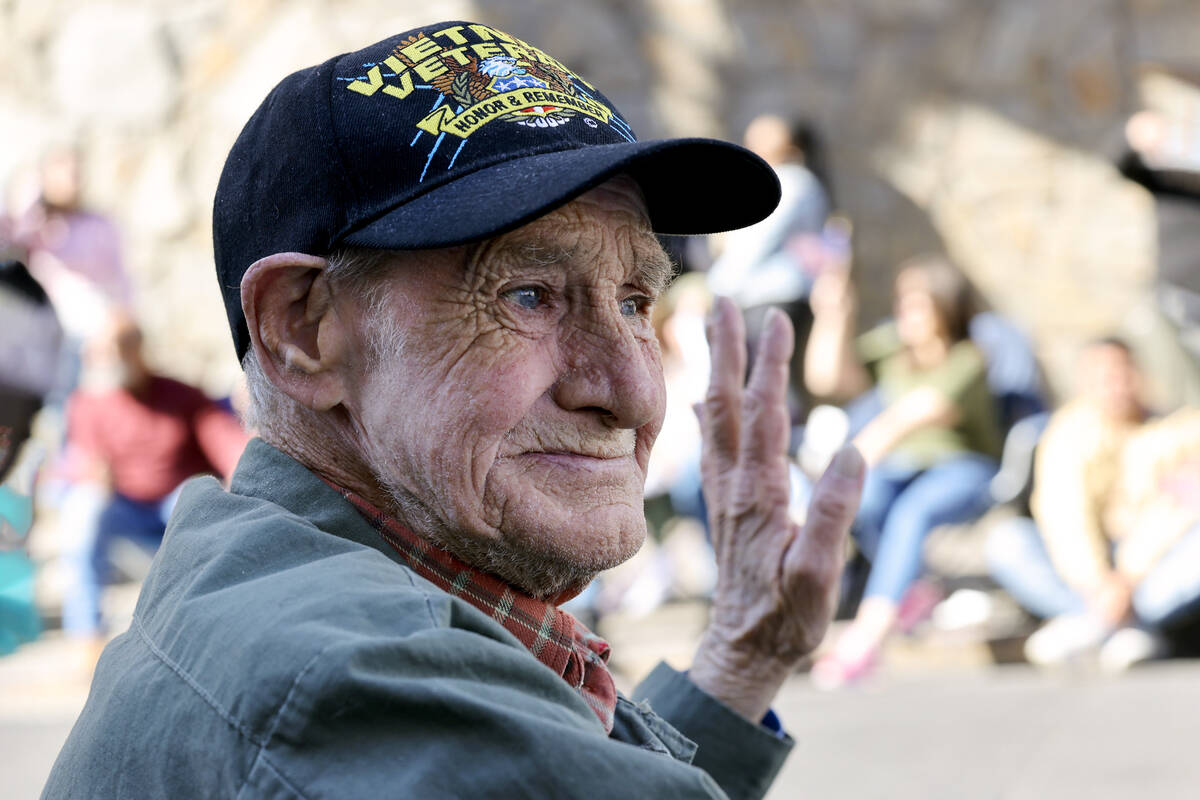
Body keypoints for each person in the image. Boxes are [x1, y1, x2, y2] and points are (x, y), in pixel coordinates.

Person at [44, 21, 865, 799]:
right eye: (530, 295)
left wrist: (740, 662)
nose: (632, 392)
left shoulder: (256, 567)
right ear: (302, 330)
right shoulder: (361, 684)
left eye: (634, 300)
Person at [804, 254, 1002, 686]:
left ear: (944, 305)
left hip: (963, 466)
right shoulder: (893, 351)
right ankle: (910, 590)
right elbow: (827, 378)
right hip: (902, 468)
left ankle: (864, 639)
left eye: (917, 302)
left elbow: (913, 414)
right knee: (869, 501)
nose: (904, 311)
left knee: (912, 512)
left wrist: (849, 463)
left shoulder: (968, 358)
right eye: (903, 300)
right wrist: (835, 312)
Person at [987, 339, 1200, 670]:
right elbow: (1065, 515)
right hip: (1087, 574)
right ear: (1083, 383)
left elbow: (1179, 507)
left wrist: (1128, 577)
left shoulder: (1179, 430)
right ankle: (1118, 627)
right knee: (1006, 541)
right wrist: (1097, 582)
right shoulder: (1067, 433)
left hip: (1150, 568)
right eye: (1103, 376)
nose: (1116, 385)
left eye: (1122, 372)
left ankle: (1093, 627)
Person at [59, 310, 248, 651]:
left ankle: (203, 627)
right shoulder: (86, 404)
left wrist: (243, 471)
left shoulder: (181, 396)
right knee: (81, 511)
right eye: (97, 351)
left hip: (174, 501)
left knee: (193, 499)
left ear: (136, 349)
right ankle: (86, 635)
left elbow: (227, 445)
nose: (102, 359)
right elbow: (77, 464)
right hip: (123, 505)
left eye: (112, 349)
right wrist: (90, 474)